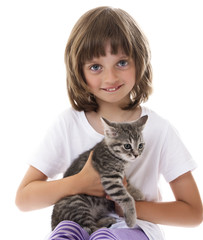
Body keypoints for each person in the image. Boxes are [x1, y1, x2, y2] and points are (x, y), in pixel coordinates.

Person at [15, 6, 202, 240]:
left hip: (135, 229)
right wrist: (79, 183)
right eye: (95, 67)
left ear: (139, 61)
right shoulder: (68, 124)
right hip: (80, 221)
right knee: (63, 233)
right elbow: (24, 199)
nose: (110, 77)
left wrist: (129, 207)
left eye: (122, 62)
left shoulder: (158, 129)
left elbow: (193, 212)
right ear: (79, 72)